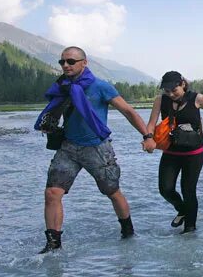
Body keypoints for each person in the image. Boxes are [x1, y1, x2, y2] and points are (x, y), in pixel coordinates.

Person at [34, 46, 149, 253]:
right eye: (62, 62)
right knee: (52, 193)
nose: (66, 65)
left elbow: (128, 111)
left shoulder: (101, 87)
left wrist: (147, 136)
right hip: (68, 147)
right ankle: (53, 244)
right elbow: (54, 110)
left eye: (71, 61)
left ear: (84, 63)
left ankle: (128, 232)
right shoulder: (62, 87)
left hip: (97, 148)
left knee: (112, 192)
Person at [143, 71, 203, 234]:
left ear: (182, 84)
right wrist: (148, 138)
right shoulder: (160, 100)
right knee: (165, 189)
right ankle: (183, 209)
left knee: (188, 189)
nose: (171, 94)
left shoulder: (197, 98)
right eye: (167, 91)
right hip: (171, 152)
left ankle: (190, 228)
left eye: (173, 90)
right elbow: (151, 123)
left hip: (194, 154)